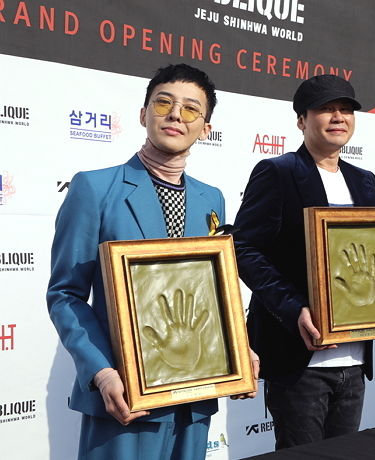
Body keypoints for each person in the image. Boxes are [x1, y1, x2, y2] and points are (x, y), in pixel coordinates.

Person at [47, 63, 257, 460]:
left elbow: (211, 293)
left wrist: (236, 346)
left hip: (196, 395)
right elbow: (65, 295)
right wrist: (102, 372)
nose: (176, 115)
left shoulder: (211, 198)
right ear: (144, 114)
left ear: (206, 128)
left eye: (191, 109)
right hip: (126, 395)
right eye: (164, 103)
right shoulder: (95, 188)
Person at [233, 74, 375, 449]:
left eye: (346, 109)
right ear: (302, 120)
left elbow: (371, 254)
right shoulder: (278, 172)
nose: (338, 117)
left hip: (355, 357)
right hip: (299, 358)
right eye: (326, 109)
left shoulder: (364, 181)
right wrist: (293, 308)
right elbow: (244, 248)